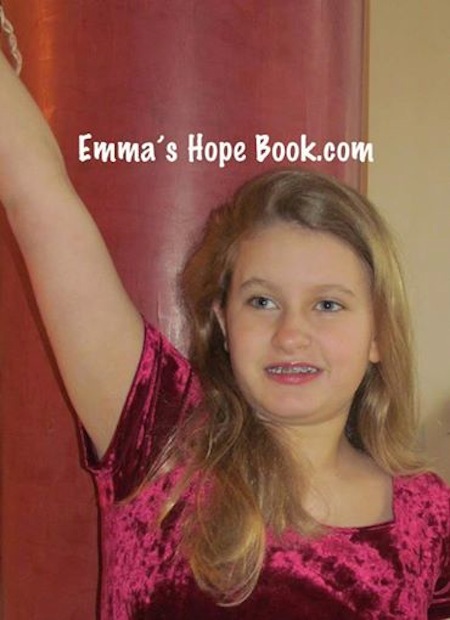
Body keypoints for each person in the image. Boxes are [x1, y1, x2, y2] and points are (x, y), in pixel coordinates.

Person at [0, 50, 449, 620]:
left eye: (328, 305)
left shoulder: (429, 517)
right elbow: (36, 194)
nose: (291, 334)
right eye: (262, 301)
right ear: (223, 323)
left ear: (378, 335)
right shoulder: (159, 438)